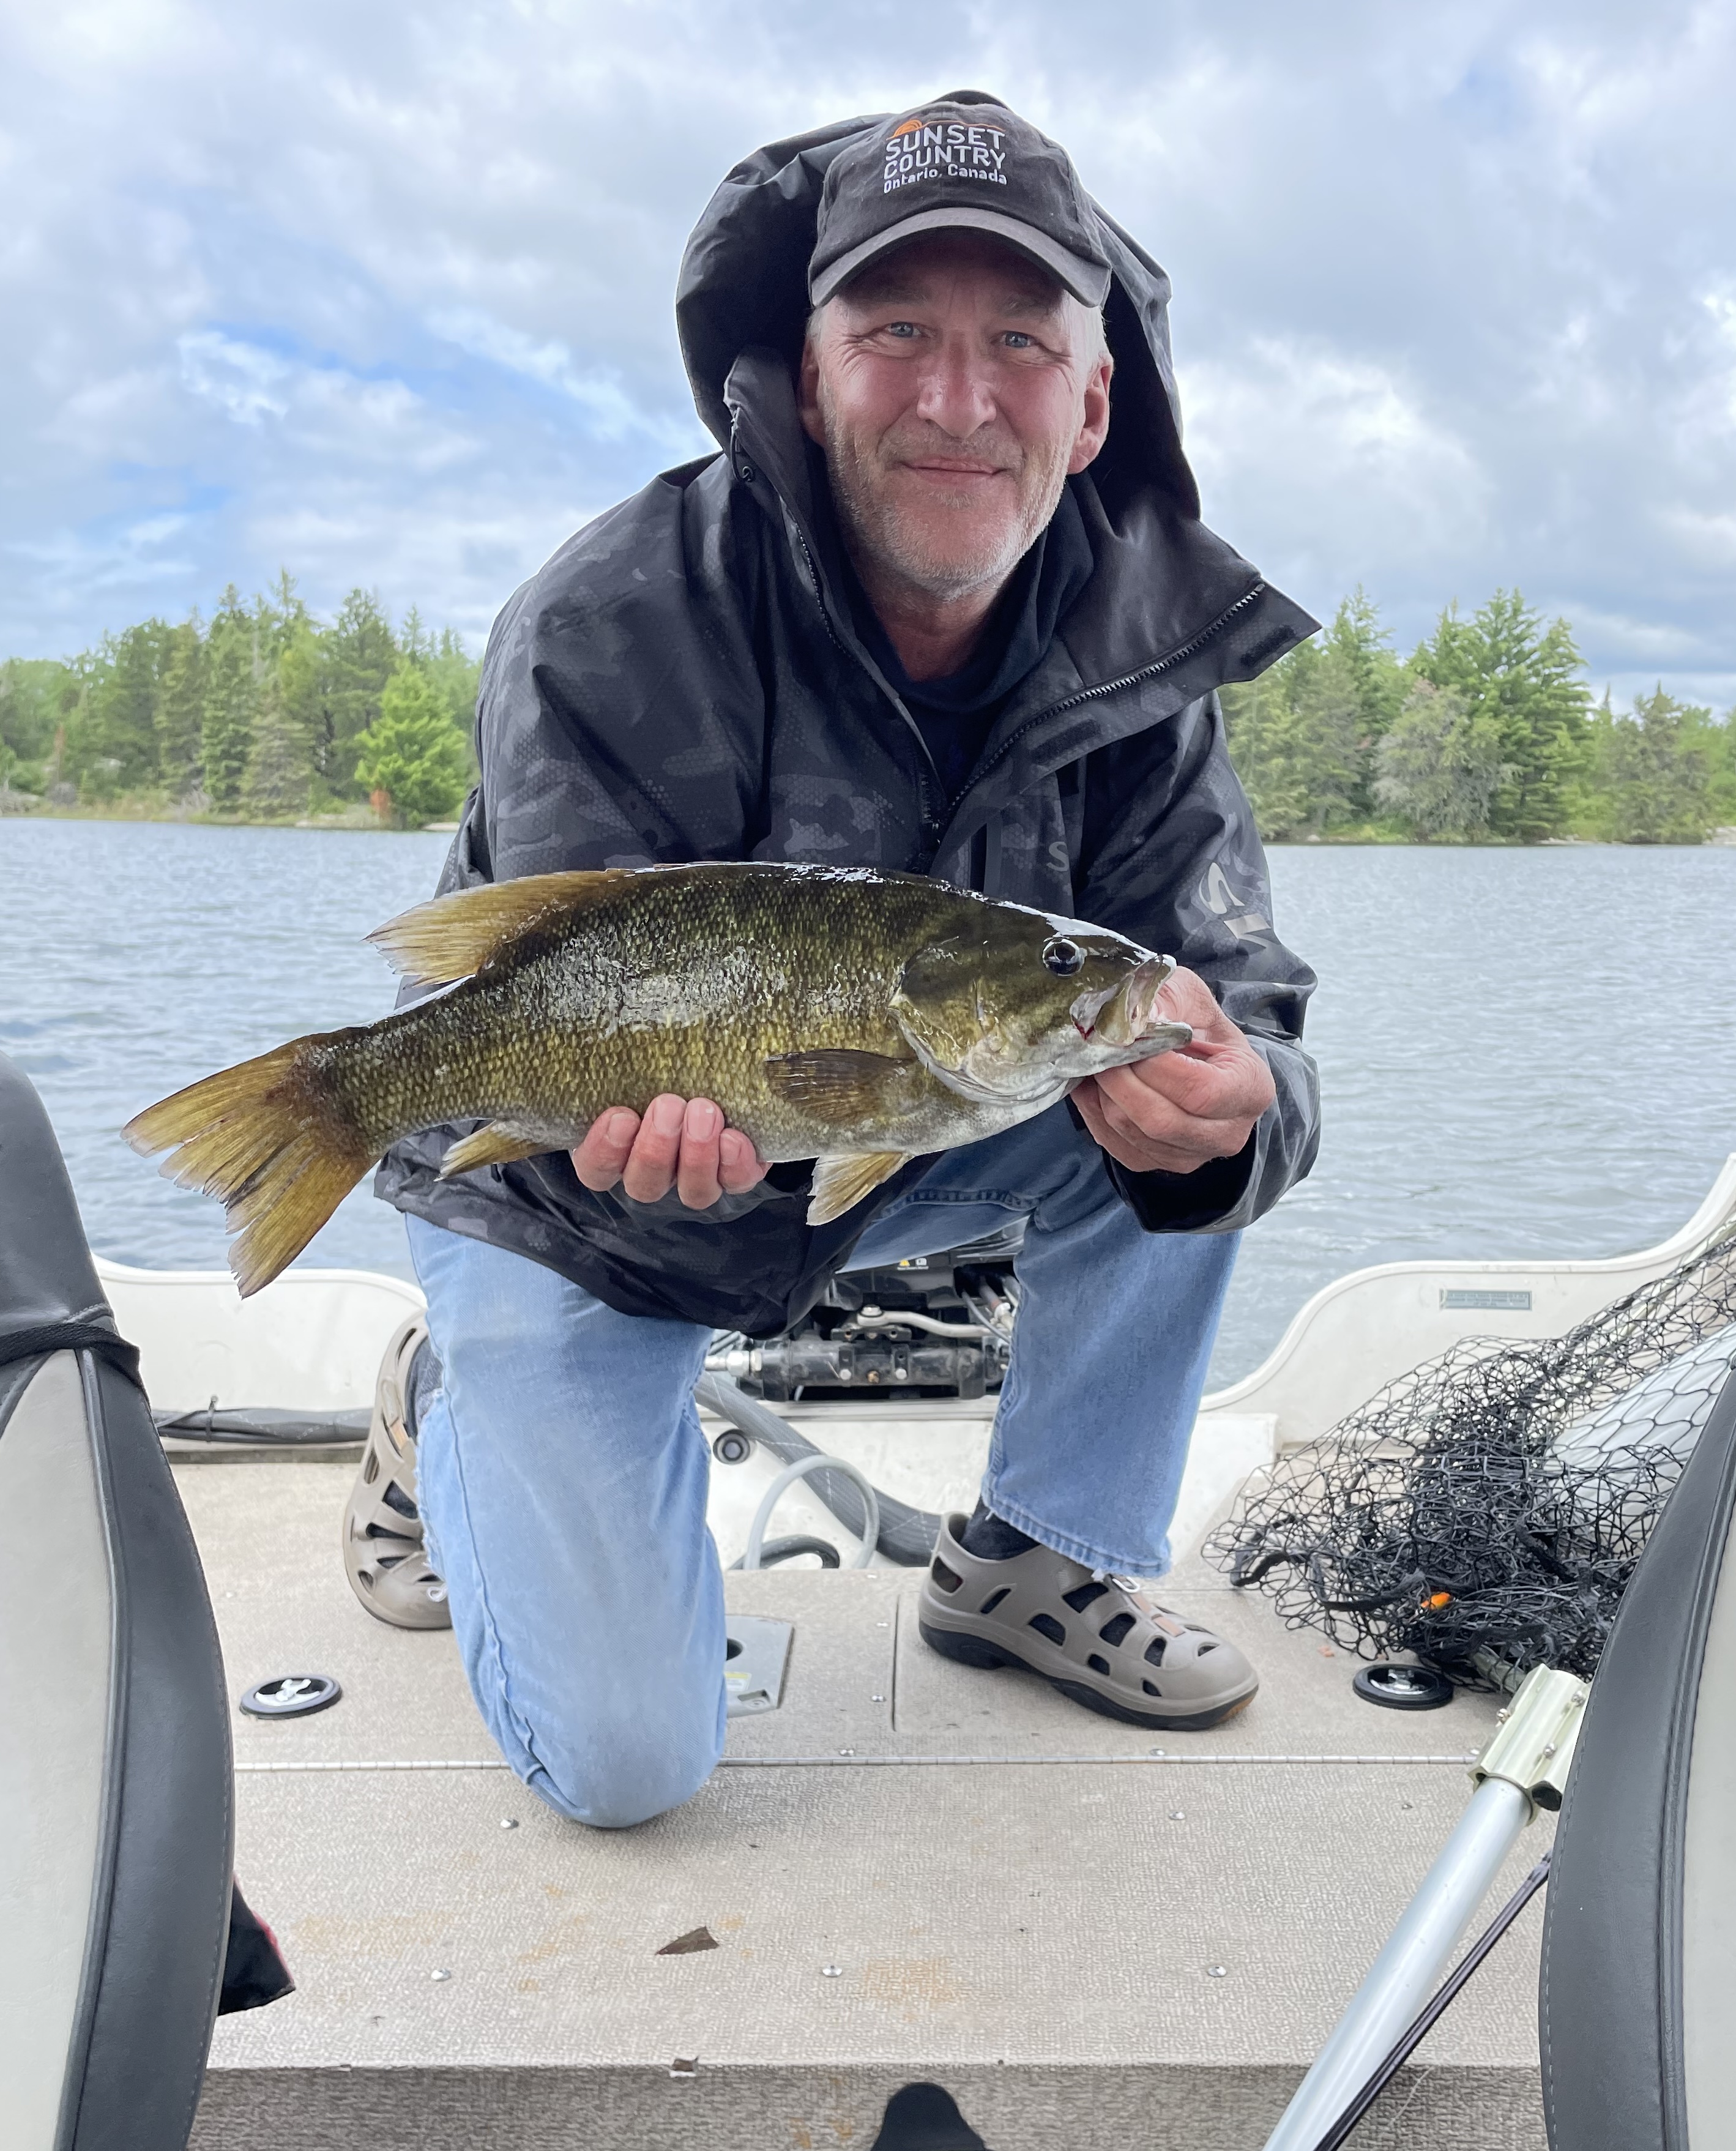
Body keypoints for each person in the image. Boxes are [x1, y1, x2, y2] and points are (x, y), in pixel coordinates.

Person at [350, 92, 1322, 1829]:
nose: (959, 398)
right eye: (896, 334)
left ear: (1092, 400)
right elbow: (569, 1005)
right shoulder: (611, 620)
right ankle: (449, 1400)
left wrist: (1240, 1107)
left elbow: (1238, 988)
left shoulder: (1139, 654)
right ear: (807, 374)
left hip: (885, 1098)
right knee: (632, 1767)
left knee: (1167, 1084)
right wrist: (650, 1155)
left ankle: (1039, 1552)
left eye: (1020, 341)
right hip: (570, 1172)